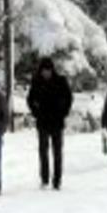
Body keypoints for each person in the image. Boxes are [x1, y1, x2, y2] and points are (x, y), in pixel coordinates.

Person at [27, 57, 73, 190]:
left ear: (52, 70)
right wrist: (35, 112)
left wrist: (64, 112)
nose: (46, 73)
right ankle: (44, 178)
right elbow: (30, 99)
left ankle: (57, 179)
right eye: (44, 70)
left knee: (57, 152)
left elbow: (69, 98)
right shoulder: (36, 82)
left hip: (57, 122)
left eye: (48, 70)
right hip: (42, 122)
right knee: (43, 152)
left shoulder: (61, 81)